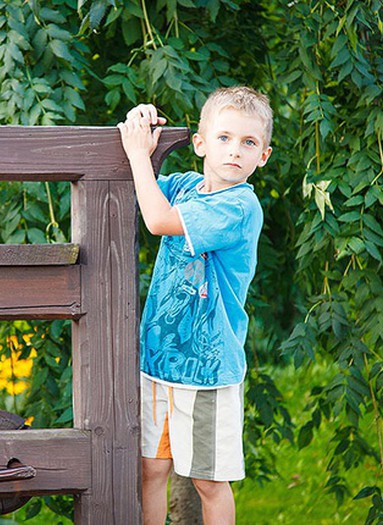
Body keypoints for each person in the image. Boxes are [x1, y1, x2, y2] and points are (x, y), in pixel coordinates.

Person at [117, 86, 274, 525]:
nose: (235, 151)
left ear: (263, 155)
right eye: (223, 138)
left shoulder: (240, 205)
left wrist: (137, 156)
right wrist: (140, 125)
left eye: (249, 143)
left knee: (208, 481)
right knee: (151, 470)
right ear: (200, 143)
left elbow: (158, 220)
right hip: (158, 360)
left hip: (205, 368)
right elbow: (141, 190)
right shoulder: (185, 186)